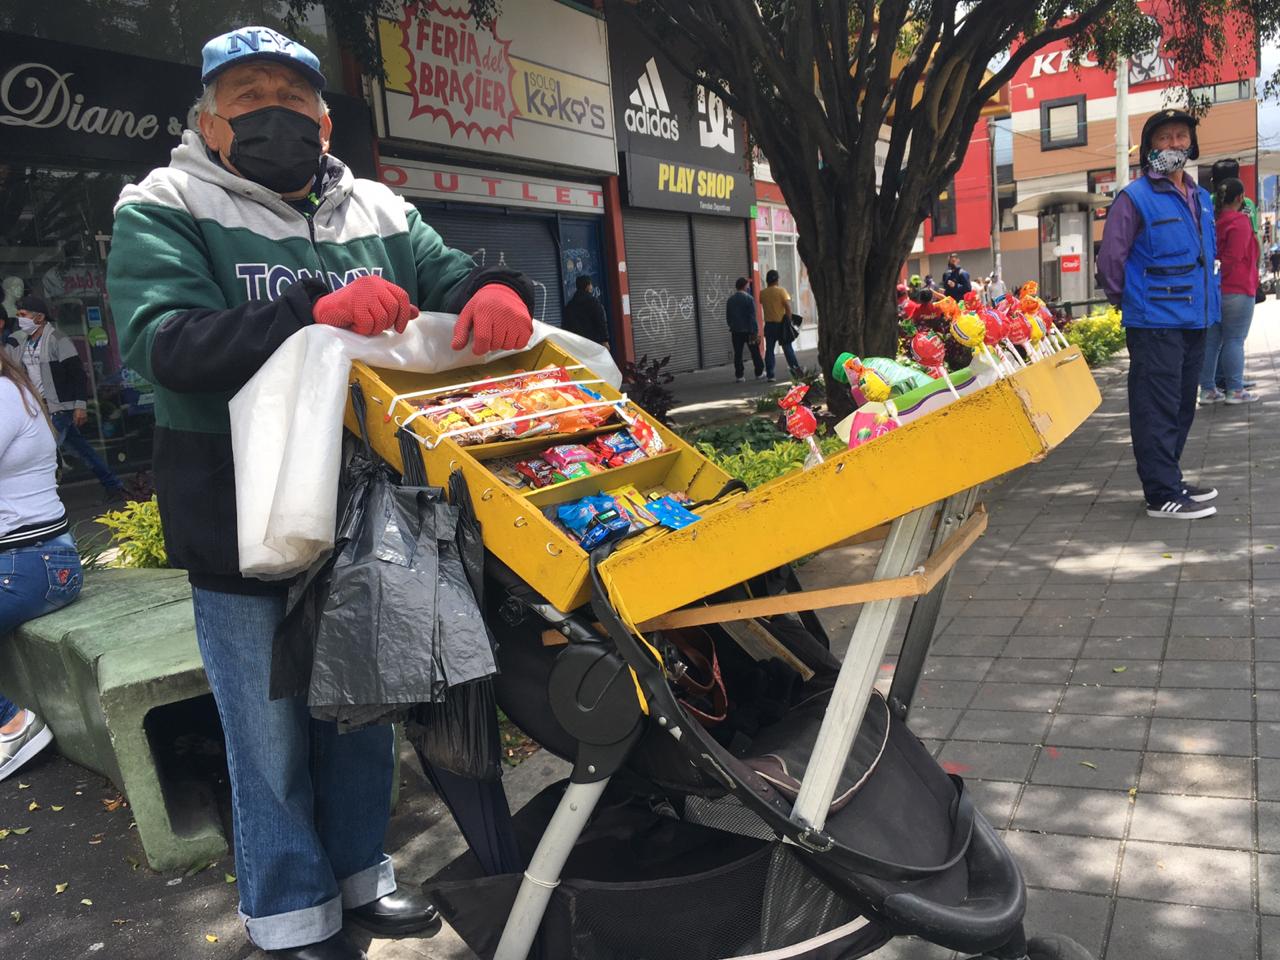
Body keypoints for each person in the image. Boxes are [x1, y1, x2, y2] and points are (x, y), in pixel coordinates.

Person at [106, 26, 535, 960]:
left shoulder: (376, 209)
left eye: (294, 98)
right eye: (248, 97)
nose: (275, 113)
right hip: (240, 517)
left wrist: (497, 288)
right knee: (266, 738)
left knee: (361, 712)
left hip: (370, 513)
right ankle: (291, 913)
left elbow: (453, 275)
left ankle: (360, 878)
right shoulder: (165, 204)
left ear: (327, 118)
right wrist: (305, 311)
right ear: (211, 125)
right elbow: (163, 344)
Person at [1097, 108, 1220, 520]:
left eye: (1180, 137)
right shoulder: (1134, 198)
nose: (1174, 145)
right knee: (1156, 409)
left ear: (1192, 143)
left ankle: (1172, 478)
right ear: (1150, 148)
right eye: (1164, 139)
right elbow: (1110, 261)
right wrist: (1129, 302)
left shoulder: (1201, 198)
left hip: (1195, 320)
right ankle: (1161, 494)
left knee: (1184, 406)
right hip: (1156, 324)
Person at [0, 342, 83, 780]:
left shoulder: (2, 394)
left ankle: (13, 724)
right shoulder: (15, 386)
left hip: (33, 562)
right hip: (35, 560)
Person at [11, 296, 124, 500]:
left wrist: (80, 406)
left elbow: (78, 375)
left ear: (39, 317)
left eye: (23, 315)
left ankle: (41, 500)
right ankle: (113, 484)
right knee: (83, 450)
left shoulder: (58, 339)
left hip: (59, 409)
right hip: (41, 408)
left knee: (44, 452)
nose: (20, 319)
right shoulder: (23, 342)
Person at [1200, 177, 1259, 405]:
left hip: (1214, 290)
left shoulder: (1213, 222)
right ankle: (1235, 390)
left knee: (1212, 342)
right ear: (1240, 198)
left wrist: (1214, 281)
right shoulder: (1241, 222)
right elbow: (1233, 259)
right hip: (1237, 288)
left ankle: (1207, 390)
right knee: (1235, 340)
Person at [758, 269, 802, 382]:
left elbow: (763, 303)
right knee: (787, 349)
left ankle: (770, 375)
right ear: (777, 280)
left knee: (769, 350)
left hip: (769, 325)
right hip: (781, 325)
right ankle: (796, 371)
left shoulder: (762, 293)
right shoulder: (781, 291)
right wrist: (789, 320)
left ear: (767, 280)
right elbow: (787, 307)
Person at [725, 277, 764, 382]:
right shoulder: (749, 299)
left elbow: (728, 316)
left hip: (736, 331)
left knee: (738, 353)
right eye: (747, 285)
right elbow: (752, 316)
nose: (748, 287)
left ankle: (739, 375)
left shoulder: (730, 300)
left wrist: (732, 326)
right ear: (745, 286)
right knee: (755, 352)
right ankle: (759, 373)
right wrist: (755, 330)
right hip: (750, 331)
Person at [562, 275, 609, 344]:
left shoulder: (570, 305)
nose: (592, 287)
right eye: (591, 285)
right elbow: (601, 322)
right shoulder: (594, 302)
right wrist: (605, 340)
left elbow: (565, 325)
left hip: (576, 344)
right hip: (593, 343)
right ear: (587, 287)